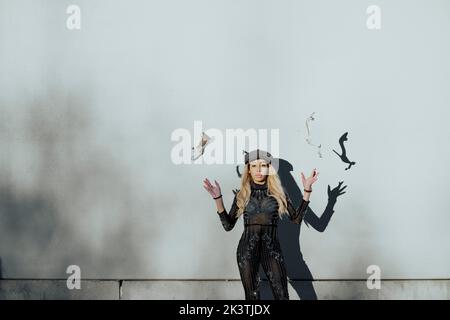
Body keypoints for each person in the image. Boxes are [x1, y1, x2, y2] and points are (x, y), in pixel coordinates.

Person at [203, 149, 319, 300]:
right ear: (249, 170)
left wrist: (307, 191)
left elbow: (296, 219)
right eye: (254, 166)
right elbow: (228, 225)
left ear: (269, 168)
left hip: (272, 252)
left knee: (282, 296)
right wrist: (217, 198)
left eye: (263, 165)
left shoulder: (279, 193)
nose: (258, 170)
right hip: (246, 252)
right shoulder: (242, 194)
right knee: (252, 298)